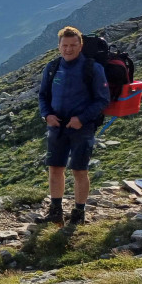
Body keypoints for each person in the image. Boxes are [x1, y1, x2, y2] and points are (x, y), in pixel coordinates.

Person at [38, 27, 110, 224]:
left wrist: (82, 119)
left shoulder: (92, 68)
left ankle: (78, 213)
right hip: (57, 126)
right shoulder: (52, 67)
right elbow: (43, 96)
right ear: (59, 46)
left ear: (81, 45)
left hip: (82, 127)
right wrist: (47, 115)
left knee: (79, 170)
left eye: (73, 45)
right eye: (65, 45)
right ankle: (55, 211)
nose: (68, 49)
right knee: (55, 168)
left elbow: (102, 99)